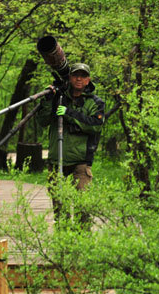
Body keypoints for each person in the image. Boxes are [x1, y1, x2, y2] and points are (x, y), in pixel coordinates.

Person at [36, 62, 105, 225]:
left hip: (81, 160)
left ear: (88, 80)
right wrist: (47, 101)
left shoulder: (95, 102)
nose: (78, 79)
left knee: (83, 204)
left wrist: (69, 113)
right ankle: (63, 241)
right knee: (60, 206)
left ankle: (82, 241)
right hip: (56, 159)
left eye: (82, 76)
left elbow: (95, 125)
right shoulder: (58, 98)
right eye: (75, 75)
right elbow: (43, 121)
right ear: (69, 77)